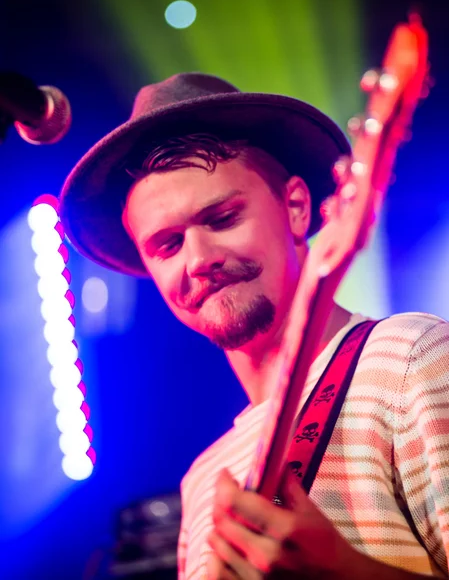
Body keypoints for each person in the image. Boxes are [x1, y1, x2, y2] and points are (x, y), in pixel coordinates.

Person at [60, 73, 449, 579]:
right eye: (168, 245)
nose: (198, 260)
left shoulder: (410, 359)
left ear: (295, 208)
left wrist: (347, 571)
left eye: (222, 218)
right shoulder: (203, 482)